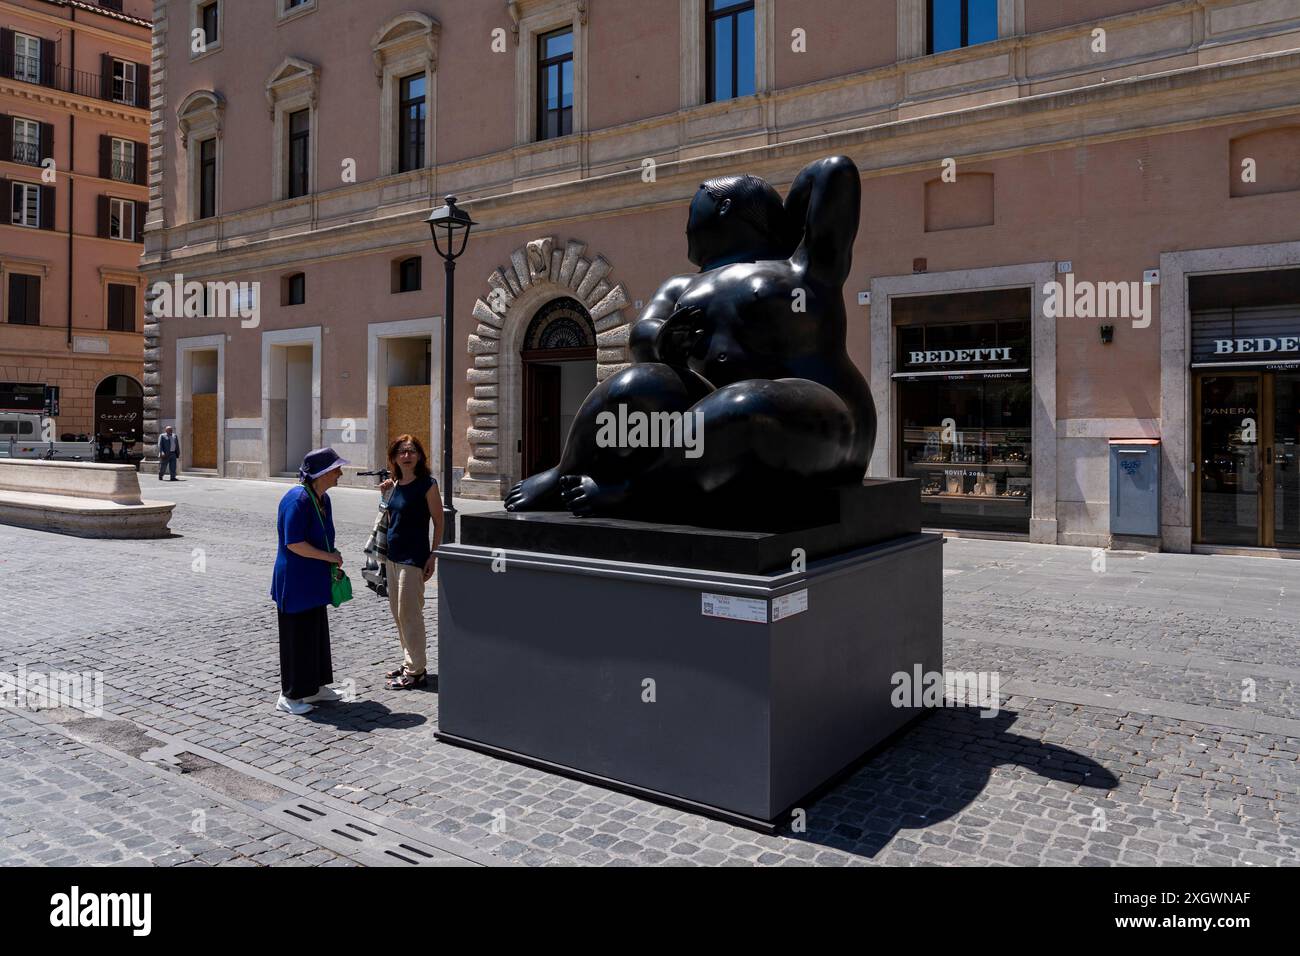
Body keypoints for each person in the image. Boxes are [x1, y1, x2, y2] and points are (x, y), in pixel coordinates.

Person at [270, 446, 350, 715]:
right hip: (295, 580)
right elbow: (294, 544)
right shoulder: (297, 500)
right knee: (297, 637)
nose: (340, 473)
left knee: (315, 634)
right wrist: (328, 557)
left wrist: (331, 561)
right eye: (336, 469)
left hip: (313, 579)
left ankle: (314, 687)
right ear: (322, 473)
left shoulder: (322, 498)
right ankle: (290, 695)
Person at [377, 435, 443, 690]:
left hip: (414, 558)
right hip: (392, 556)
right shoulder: (394, 484)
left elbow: (439, 522)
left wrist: (433, 555)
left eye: (412, 451)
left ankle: (417, 671)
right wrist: (385, 495)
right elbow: (391, 518)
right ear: (394, 457)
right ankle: (409, 662)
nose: (407, 456)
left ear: (419, 456)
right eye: (402, 452)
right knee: (398, 613)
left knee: (410, 614)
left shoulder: (427, 485)